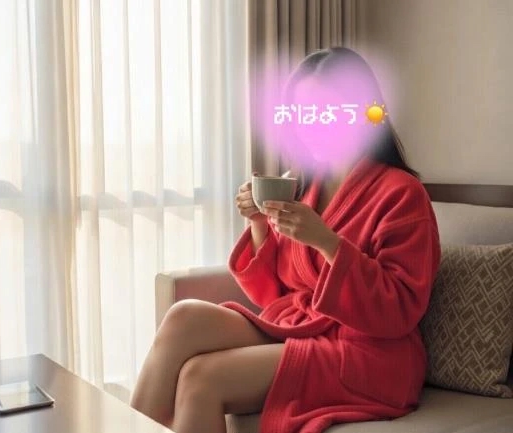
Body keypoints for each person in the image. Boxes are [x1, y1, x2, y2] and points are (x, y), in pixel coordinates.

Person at [130, 47, 441, 433]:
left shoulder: (403, 194)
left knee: (200, 377)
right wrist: (260, 224)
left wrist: (327, 242)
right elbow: (273, 297)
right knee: (183, 319)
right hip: (303, 324)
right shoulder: (305, 186)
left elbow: (400, 310)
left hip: (371, 352)